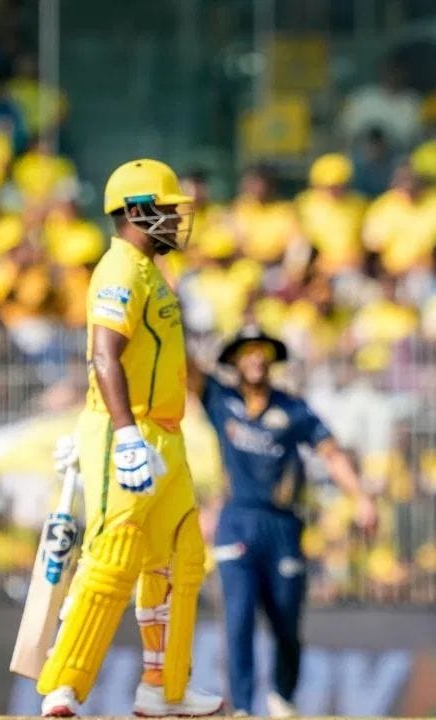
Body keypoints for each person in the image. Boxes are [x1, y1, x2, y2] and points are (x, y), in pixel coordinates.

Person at [36, 159, 222, 718]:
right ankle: (63, 687)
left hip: (167, 433)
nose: (176, 220)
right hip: (129, 430)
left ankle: (164, 688)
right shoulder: (118, 269)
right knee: (114, 556)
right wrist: (123, 436)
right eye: (167, 209)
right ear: (138, 211)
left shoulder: (151, 271)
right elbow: (103, 355)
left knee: (181, 560)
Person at [196, 325, 377, 717]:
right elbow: (184, 367)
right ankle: (241, 708)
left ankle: (283, 698)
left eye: (261, 350)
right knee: (238, 620)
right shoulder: (219, 398)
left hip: (282, 526)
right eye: (247, 351)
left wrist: (360, 497)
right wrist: (165, 306)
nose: (255, 358)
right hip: (236, 520)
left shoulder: (292, 408)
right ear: (234, 360)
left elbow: (331, 453)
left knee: (286, 624)